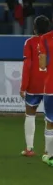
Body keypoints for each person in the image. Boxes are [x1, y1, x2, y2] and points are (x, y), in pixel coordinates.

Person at [20, 15, 50, 157]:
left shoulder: (30, 43)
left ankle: (30, 148)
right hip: (49, 83)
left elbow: (28, 65)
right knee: (50, 118)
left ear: (35, 27)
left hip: (34, 84)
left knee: (30, 114)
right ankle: (48, 151)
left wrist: (23, 86)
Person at [38, 19, 53, 167]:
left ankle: (50, 155)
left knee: (50, 122)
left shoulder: (45, 38)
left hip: (50, 87)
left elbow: (42, 64)